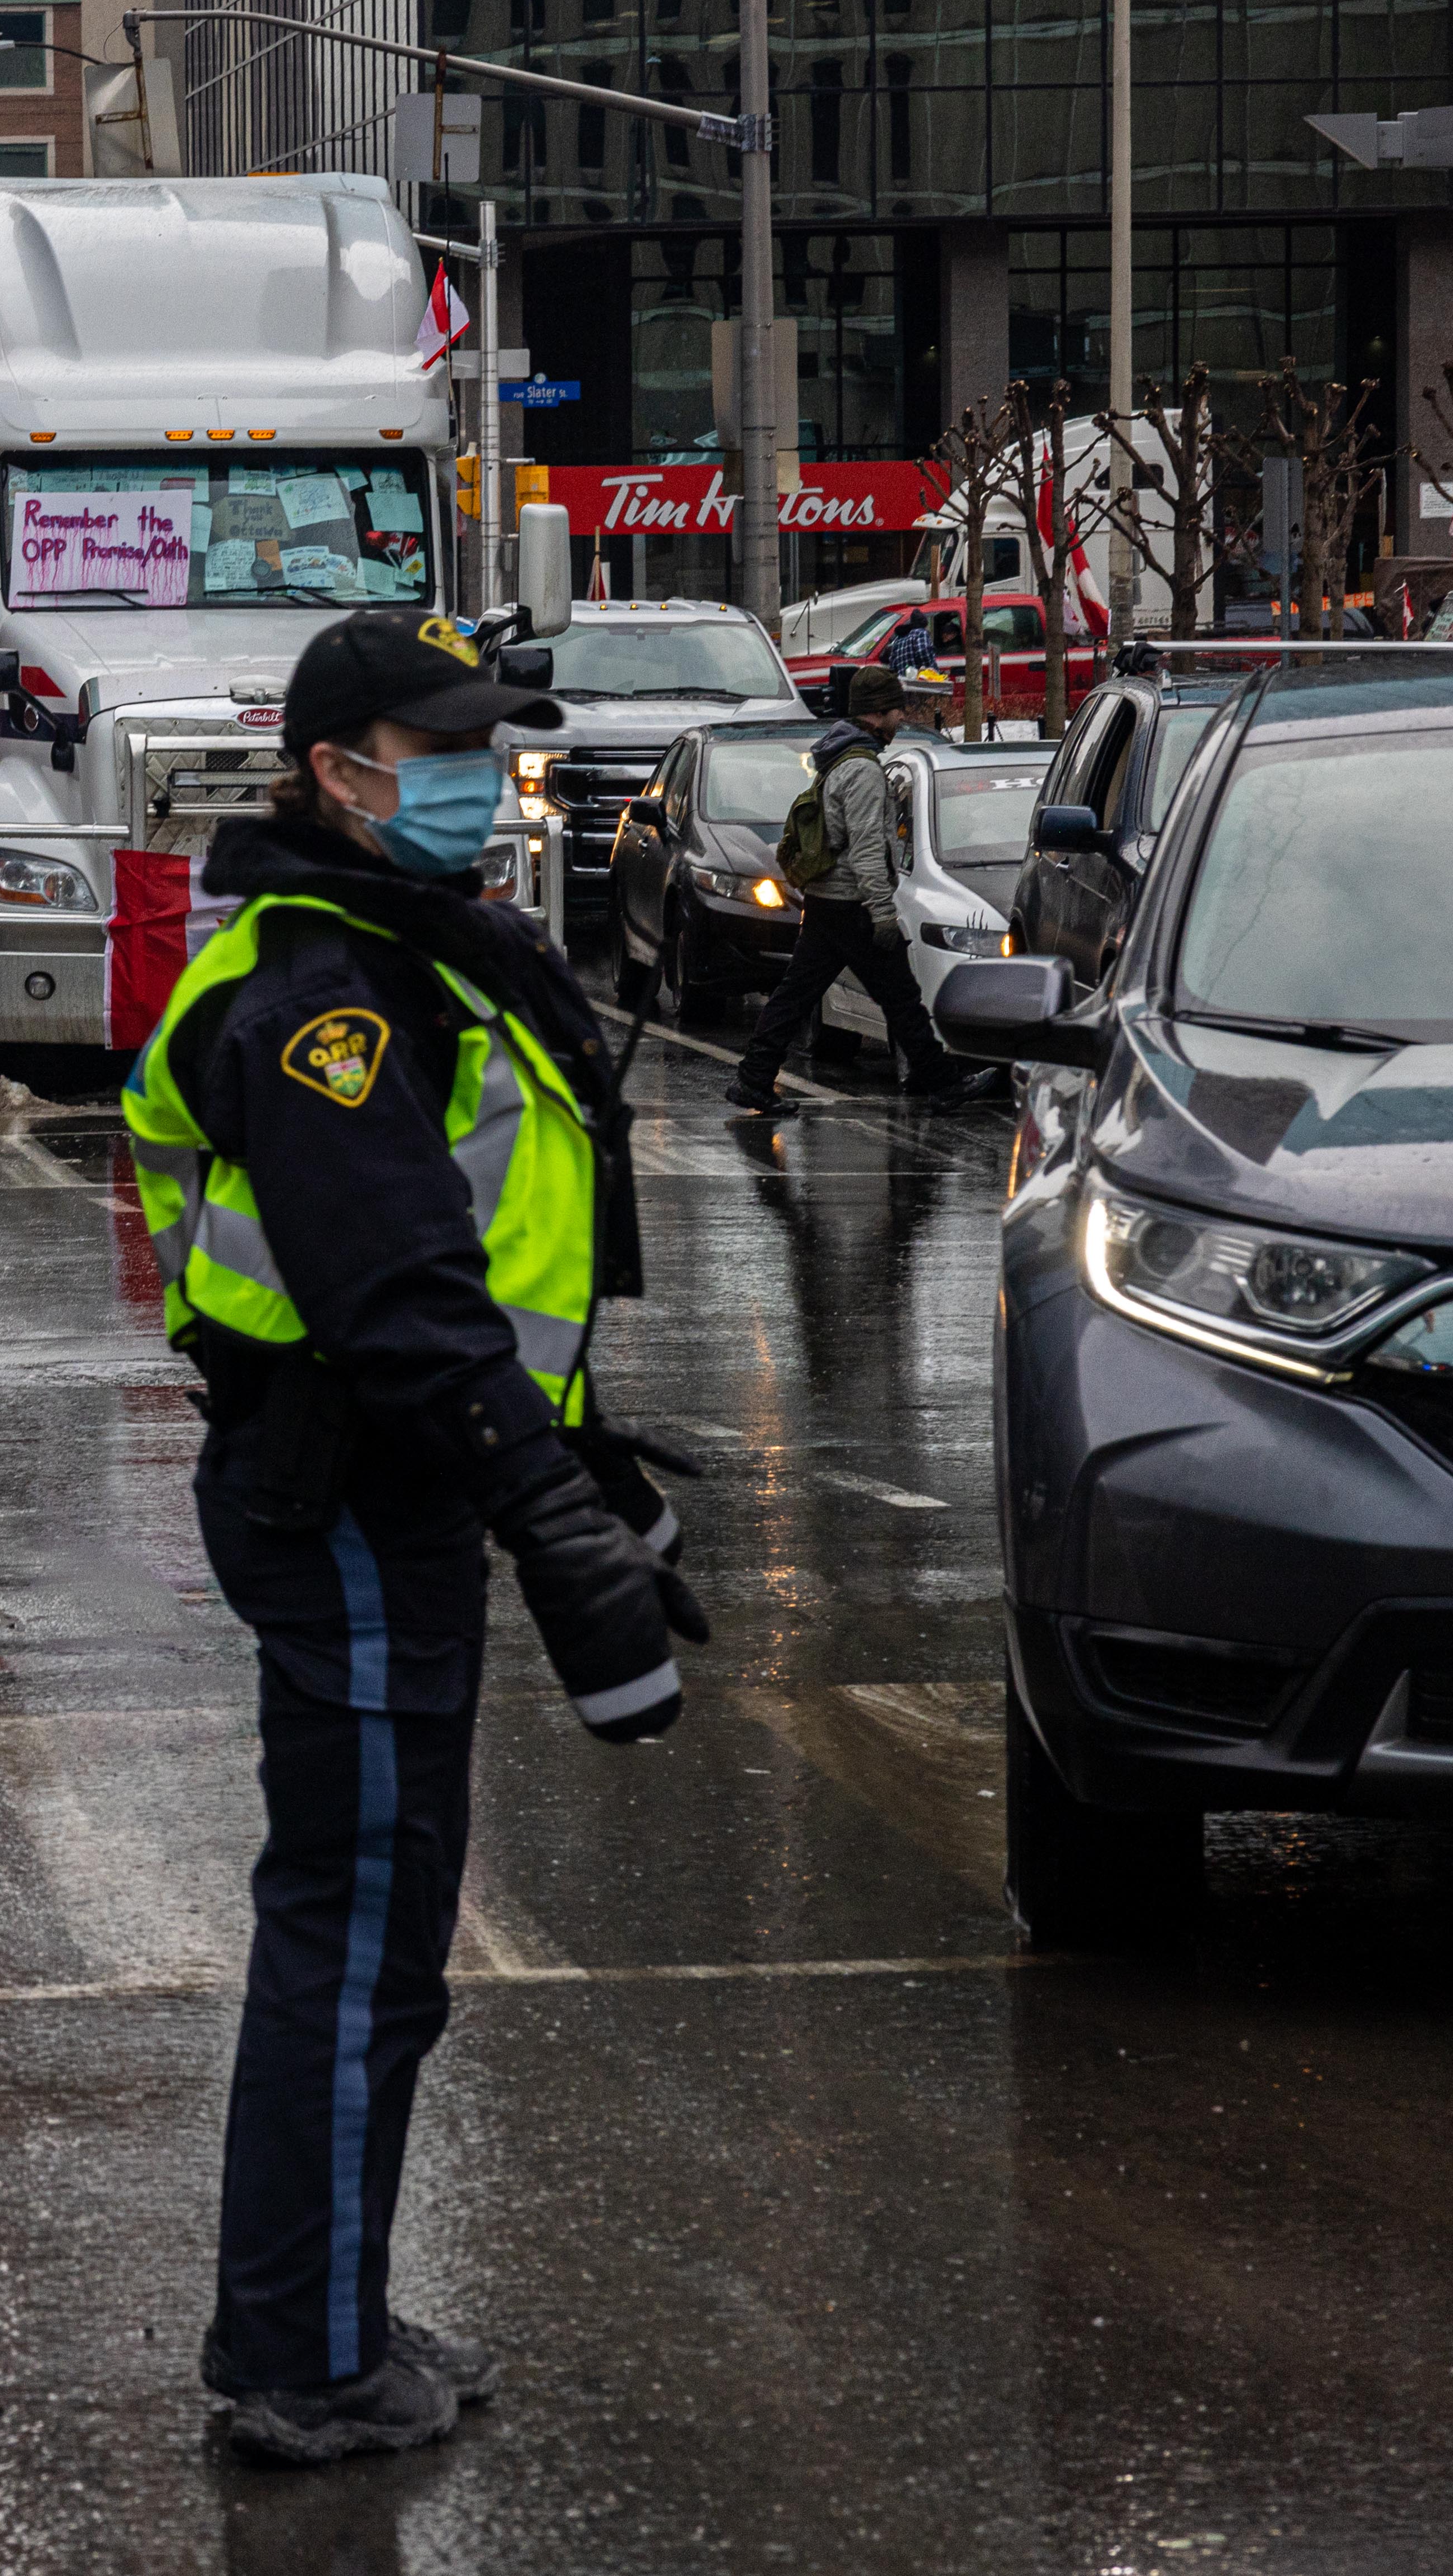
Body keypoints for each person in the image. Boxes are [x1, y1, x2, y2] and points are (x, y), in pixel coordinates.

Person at [127, 611, 704, 2468]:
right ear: (334, 773)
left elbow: (480, 1273)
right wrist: (546, 1519)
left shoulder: (406, 950)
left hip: (397, 1485)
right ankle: (298, 2352)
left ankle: (327, 2312)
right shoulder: (322, 997)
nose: (473, 781)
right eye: (432, 751)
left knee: (377, 1938)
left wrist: (576, 1466)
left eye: (483, 747)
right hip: (353, 1496)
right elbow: (393, 1295)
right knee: (359, 1935)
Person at [723, 668, 1010, 1119]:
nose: (902, 717)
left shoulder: (840, 758)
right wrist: (881, 913)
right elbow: (867, 847)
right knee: (900, 997)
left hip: (826, 902)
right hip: (851, 905)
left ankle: (754, 1079)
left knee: (798, 995)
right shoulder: (861, 769)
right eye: (897, 709)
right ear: (877, 713)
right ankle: (942, 1084)